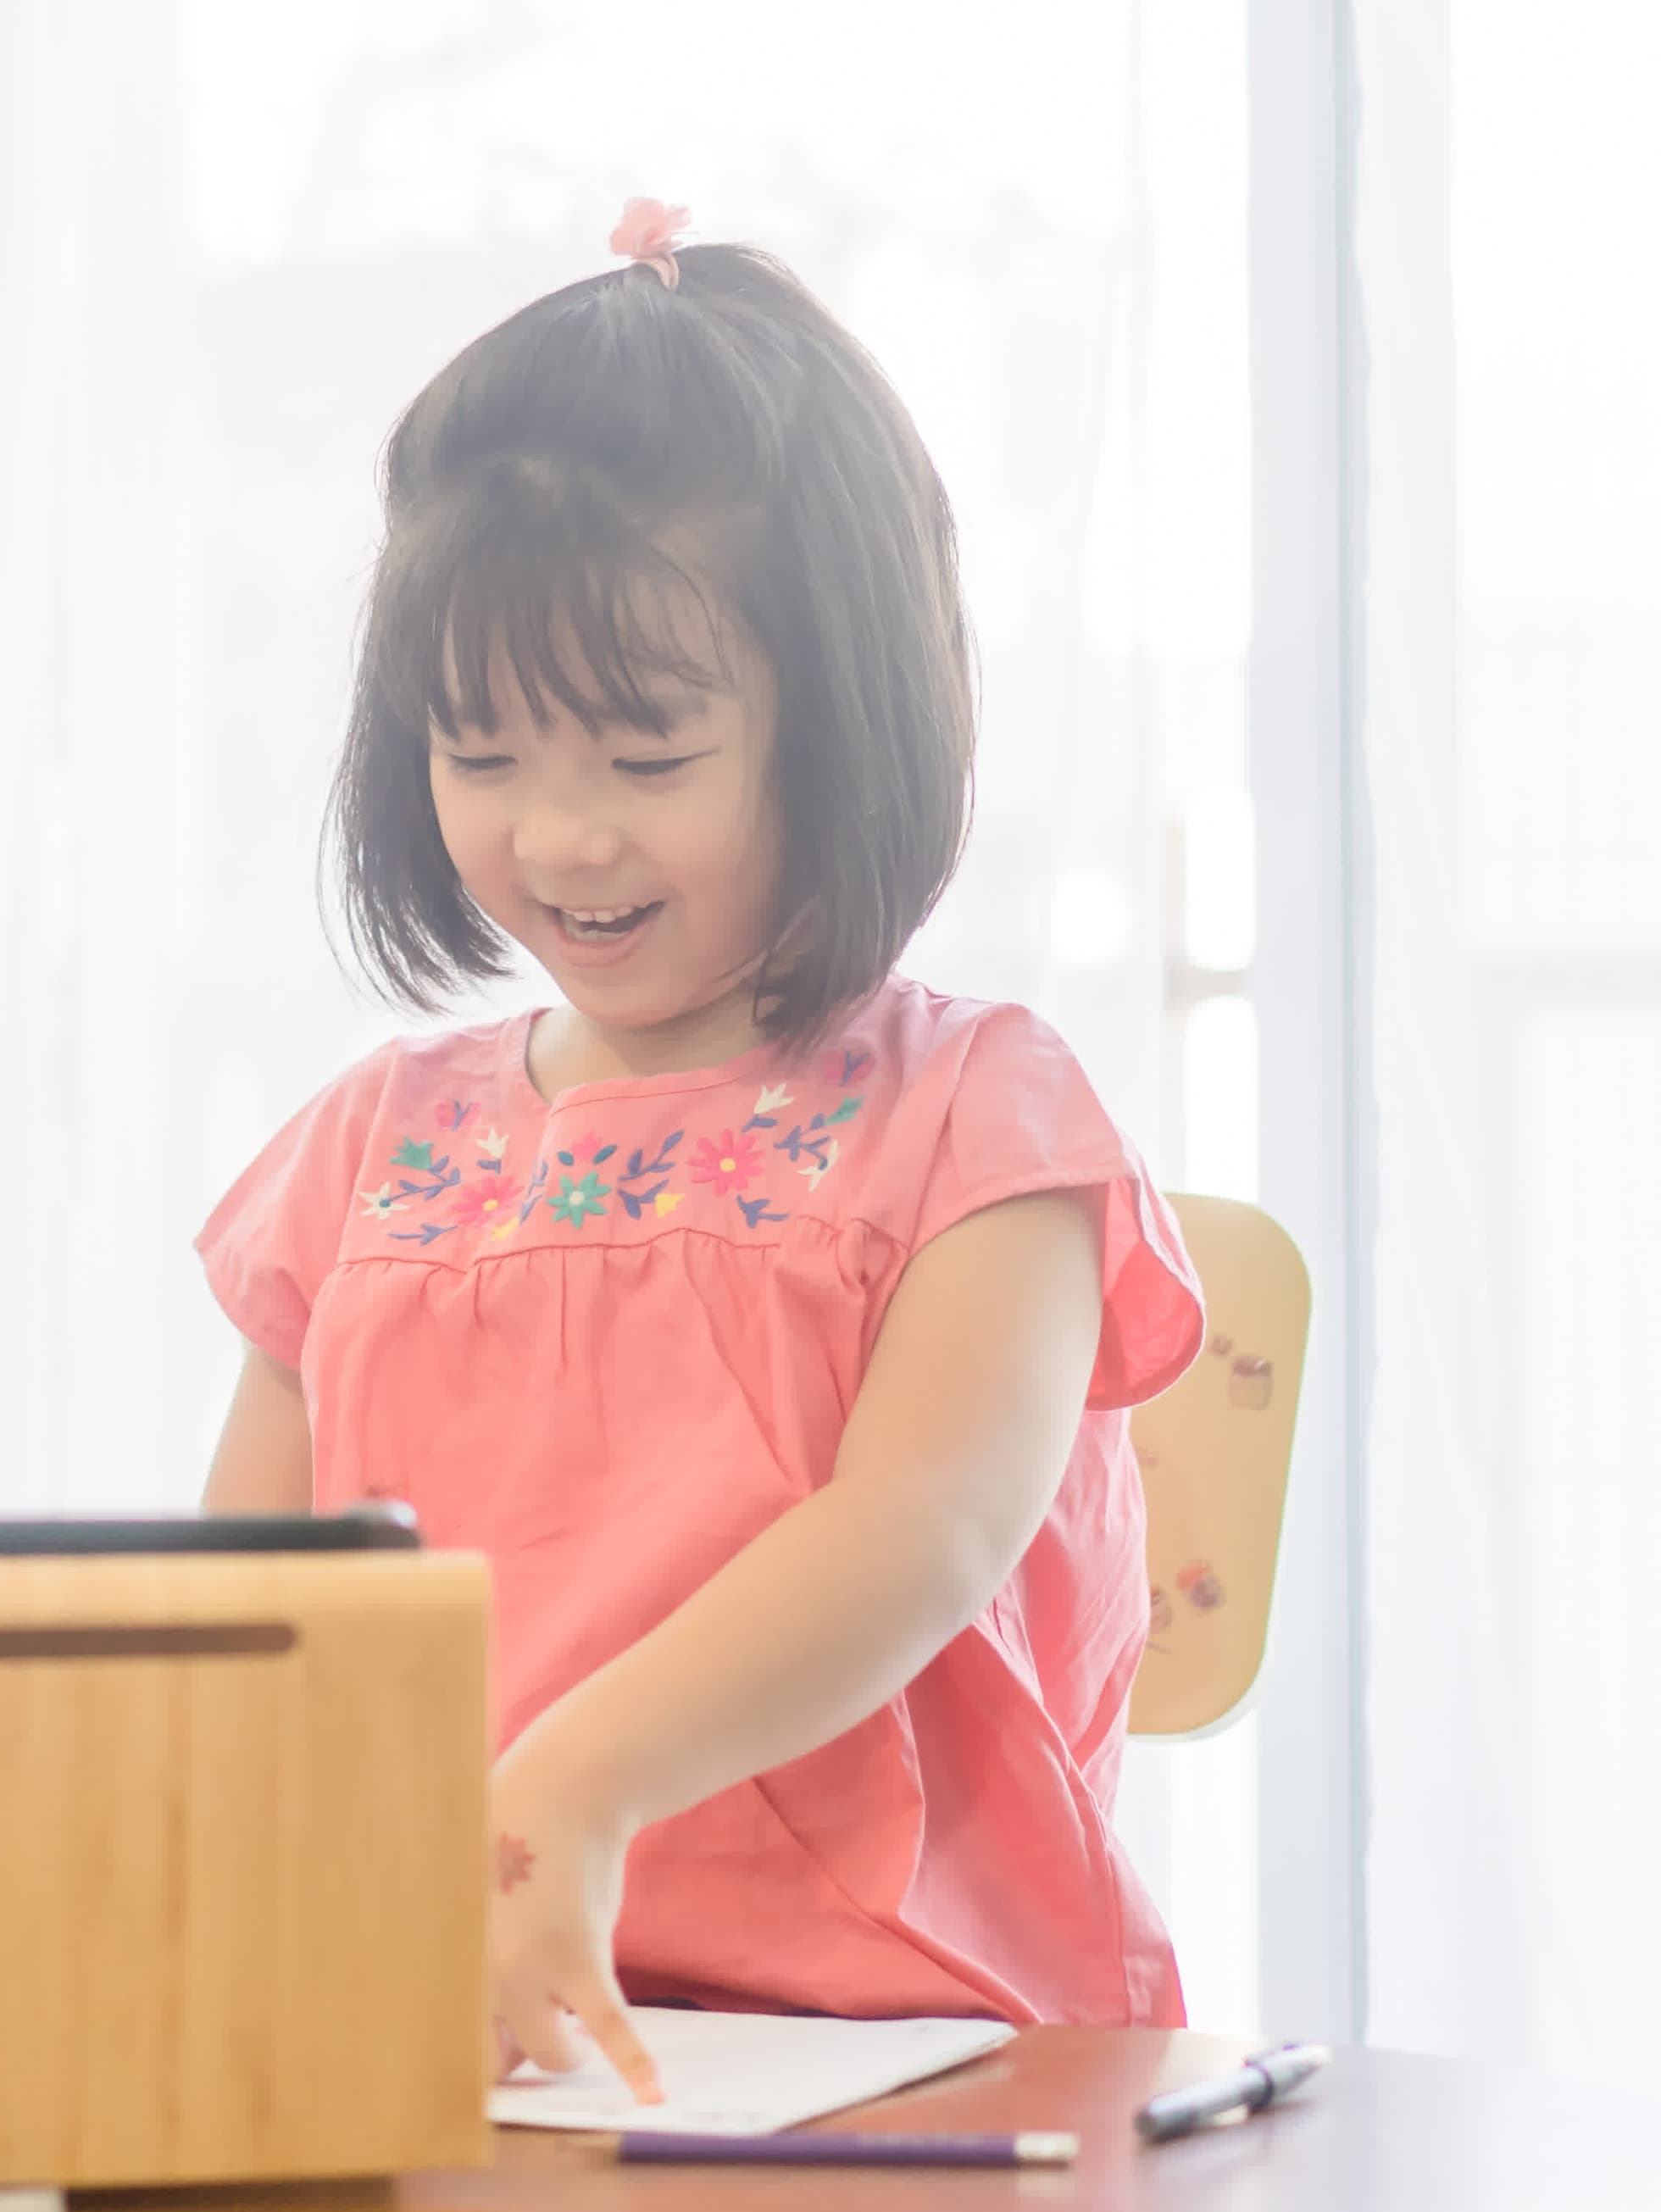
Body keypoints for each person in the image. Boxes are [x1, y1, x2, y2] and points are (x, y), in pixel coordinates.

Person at [196, 202, 1204, 2101]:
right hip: (455, 2042)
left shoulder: (982, 1121)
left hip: (916, 2047)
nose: (558, 838)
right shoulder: (363, 1158)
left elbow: (925, 1533)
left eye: (645, 761)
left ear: (837, 730)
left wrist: (575, 1777)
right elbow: (251, 1616)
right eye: (480, 755)